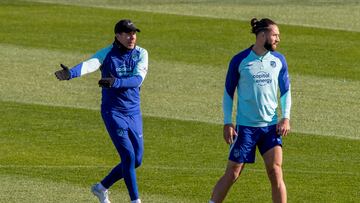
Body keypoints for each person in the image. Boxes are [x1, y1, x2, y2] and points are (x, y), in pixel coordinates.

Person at [55, 19, 148, 203]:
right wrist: (70, 73)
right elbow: (91, 64)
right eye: (128, 33)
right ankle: (135, 200)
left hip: (133, 112)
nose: (132, 37)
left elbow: (138, 80)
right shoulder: (107, 54)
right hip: (113, 112)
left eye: (134, 33)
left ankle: (101, 188)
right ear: (118, 35)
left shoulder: (141, 53)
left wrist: (115, 82)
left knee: (136, 160)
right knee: (128, 156)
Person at [209, 18, 291, 203]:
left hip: (270, 128)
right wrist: (227, 122)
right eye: (275, 34)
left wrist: (285, 118)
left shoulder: (279, 60)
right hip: (245, 129)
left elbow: (286, 91)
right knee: (233, 173)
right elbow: (228, 93)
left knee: (275, 171)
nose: (278, 39)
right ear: (262, 35)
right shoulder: (240, 60)